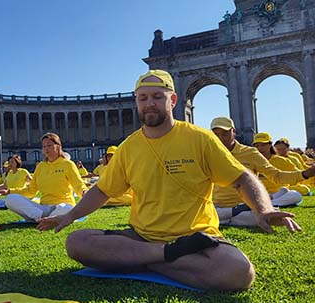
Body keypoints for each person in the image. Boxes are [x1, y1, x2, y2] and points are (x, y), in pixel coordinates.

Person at [38, 69, 301, 291]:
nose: (149, 103)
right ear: (136, 102)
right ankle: (164, 255)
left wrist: (264, 209)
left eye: (156, 96)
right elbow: (103, 191)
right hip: (142, 236)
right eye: (143, 98)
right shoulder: (129, 147)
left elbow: (242, 178)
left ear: (173, 99)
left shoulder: (200, 138)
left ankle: (139, 260)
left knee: (239, 272)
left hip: (196, 237)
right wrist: (69, 216)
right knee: (77, 242)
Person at [211, 117, 315, 226]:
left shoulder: (250, 153)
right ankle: (234, 214)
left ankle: (228, 217)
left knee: (261, 213)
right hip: (218, 205)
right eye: (216, 135)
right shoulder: (208, 154)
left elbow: (277, 176)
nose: (220, 138)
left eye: (225, 134)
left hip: (247, 204)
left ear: (234, 131)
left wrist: (305, 173)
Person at [0, 133, 87, 223]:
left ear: (58, 146)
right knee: (10, 199)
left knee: (67, 208)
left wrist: (84, 192)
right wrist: (10, 191)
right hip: (43, 208)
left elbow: (78, 185)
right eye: (44, 146)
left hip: (62, 205)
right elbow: (31, 191)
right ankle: (42, 218)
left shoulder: (68, 164)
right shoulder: (40, 166)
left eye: (49, 145)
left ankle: (41, 219)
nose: (46, 149)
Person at [253, 133, 309, 199]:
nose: (260, 148)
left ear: (270, 145)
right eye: (257, 146)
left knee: (296, 195)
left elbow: (299, 174)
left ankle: (271, 200)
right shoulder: (252, 161)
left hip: (279, 192)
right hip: (259, 192)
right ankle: (271, 201)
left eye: (263, 145)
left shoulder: (282, 160)